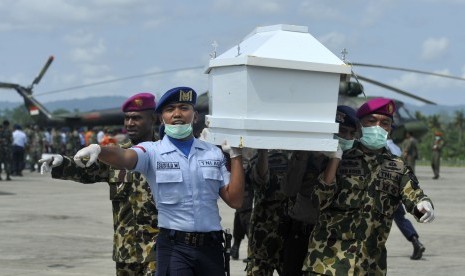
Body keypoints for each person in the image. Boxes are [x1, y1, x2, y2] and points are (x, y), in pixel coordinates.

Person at [71, 86, 245, 276]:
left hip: (211, 248)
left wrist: (236, 156)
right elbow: (126, 157)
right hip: (174, 247)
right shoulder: (153, 151)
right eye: (170, 109)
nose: (177, 114)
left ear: (195, 116)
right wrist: (100, 150)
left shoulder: (213, 152)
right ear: (162, 118)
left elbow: (235, 200)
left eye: (184, 108)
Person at [302, 98, 435, 275]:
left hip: (370, 266)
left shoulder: (398, 167)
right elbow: (318, 200)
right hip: (327, 263)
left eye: (385, 123)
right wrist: (335, 159)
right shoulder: (339, 156)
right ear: (360, 125)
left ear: (390, 129)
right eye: (372, 121)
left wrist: (423, 206)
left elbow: (414, 196)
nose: (378, 127)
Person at [39, 92, 160, 275]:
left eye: (136, 118)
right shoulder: (116, 156)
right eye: (127, 118)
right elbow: (87, 169)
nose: (129, 123)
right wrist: (62, 162)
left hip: (159, 253)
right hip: (126, 252)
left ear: (153, 119)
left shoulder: (166, 154)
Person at [284, 105, 359, 276]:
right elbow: (289, 189)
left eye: (351, 134)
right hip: (301, 235)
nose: (347, 137)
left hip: (333, 238)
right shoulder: (307, 155)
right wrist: (304, 153)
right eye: (342, 131)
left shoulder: (352, 162)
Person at [245, 149, 290, 276]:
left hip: (290, 233)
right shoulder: (258, 158)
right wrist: (263, 150)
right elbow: (261, 181)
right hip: (263, 234)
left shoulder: (295, 156)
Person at [387, 137, 426, 260]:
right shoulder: (396, 148)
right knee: (400, 219)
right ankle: (416, 242)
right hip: (395, 190)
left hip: (382, 192)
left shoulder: (380, 148)